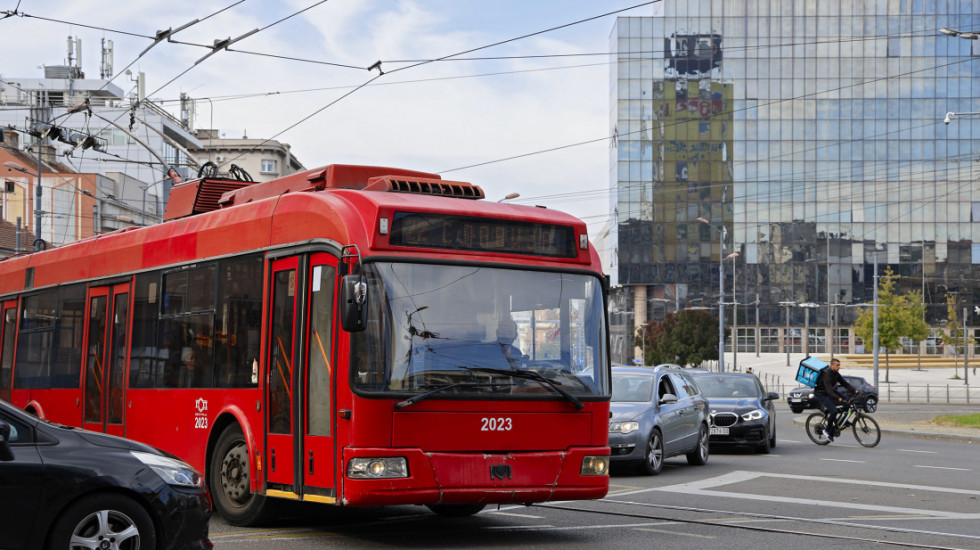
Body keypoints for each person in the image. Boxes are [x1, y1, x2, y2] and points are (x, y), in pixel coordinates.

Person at [813, 358, 856, 441]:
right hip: (821, 394)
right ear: (831, 365)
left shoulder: (836, 373)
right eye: (837, 365)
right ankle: (827, 430)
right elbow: (829, 391)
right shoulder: (826, 374)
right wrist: (838, 398)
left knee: (847, 401)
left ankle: (843, 420)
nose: (839, 367)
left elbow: (844, 383)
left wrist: (854, 390)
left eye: (839, 365)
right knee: (834, 411)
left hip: (830, 391)